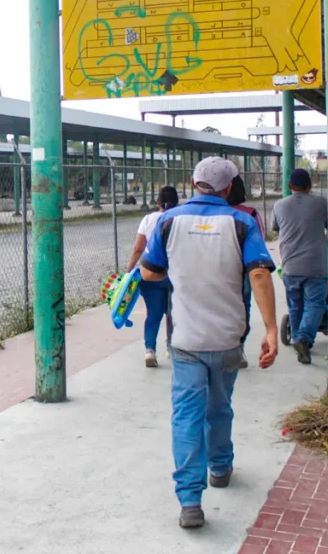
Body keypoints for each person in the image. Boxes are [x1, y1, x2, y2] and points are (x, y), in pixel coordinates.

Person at [139, 157, 278, 529]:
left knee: (186, 415)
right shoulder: (242, 222)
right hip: (228, 336)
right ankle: (220, 467)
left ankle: (189, 501)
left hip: (185, 337)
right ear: (229, 188)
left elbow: (150, 271)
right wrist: (271, 331)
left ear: (192, 183)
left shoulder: (168, 221)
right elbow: (260, 273)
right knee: (220, 407)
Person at [270, 168, 328, 365]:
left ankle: (296, 339)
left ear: (289, 186)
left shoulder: (279, 205)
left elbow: (276, 228)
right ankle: (303, 339)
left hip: (290, 265)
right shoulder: (321, 203)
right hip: (316, 265)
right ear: (310, 185)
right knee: (316, 304)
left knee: (295, 305)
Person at [126, 186, 179, 367]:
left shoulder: (148, 219)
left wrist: (129, 271)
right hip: (174, 274)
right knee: (173, 314)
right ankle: (171, 347)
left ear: (157, 202)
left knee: (153, 314)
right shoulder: (180, 218)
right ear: (177, 201)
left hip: (149, 274)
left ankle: (150, 350)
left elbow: (138, 248)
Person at [226, 174, 265, 369]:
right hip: (243, 271)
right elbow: (261, 241)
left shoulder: (212, 212)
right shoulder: (250, 214)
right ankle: (238, 348)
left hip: (215, 269)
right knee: (243, 308)